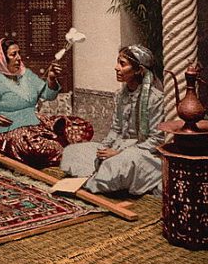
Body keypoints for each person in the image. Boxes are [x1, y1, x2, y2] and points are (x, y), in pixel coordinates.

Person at [60, 44, 164, 196]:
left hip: (142, 154)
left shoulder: (155, 99)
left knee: (118, 164)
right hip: (117, 147)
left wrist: (118, 153)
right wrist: (103, 148)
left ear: (138, 70)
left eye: (122, 64)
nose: (116, 68)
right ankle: (98, 179)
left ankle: (96, 180)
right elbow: (116, 129)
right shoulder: (120, 95)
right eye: (117, 62)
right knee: (72, 151)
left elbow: (156, 140)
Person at [0, 37, 93, 167]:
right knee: (48, 147)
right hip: (7, 131)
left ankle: (67, 151)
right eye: (13, 54)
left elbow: (49, 95)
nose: (19, 58)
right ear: (2, 59)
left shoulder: (26, 76)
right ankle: (66, 154)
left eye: (19, 53)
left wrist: (51, 79)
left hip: (35, 123)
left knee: (79, 126)